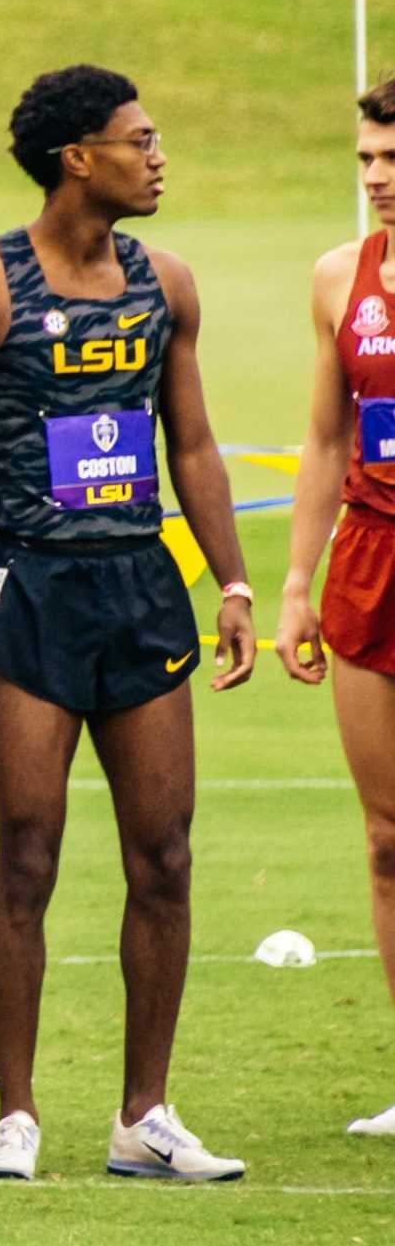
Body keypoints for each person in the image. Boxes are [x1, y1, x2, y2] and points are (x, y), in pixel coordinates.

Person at [0, 64, 255, 1182]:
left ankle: (143, 1115)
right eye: (138, 140)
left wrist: (231, 583)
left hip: (138, 590)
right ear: (76, 158)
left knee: (165, 856)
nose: (157, 156)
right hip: (28, 589)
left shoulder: (164, 282)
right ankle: (17, 1114)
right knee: (28, 853)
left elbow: (189, 446)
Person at [278, 75, 395, 1138]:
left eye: (391, 160)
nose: (374, 178)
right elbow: (323, 441)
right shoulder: (335, 277)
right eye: (365, 158)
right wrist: (294, 585)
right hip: (368, 559)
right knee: (385, 836)